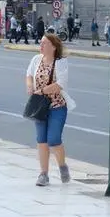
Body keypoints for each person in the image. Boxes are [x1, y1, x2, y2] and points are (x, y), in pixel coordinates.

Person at [25, 33, 75, 187]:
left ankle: (62, 166)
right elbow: (29, 75)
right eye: (40, 43)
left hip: (57, 106)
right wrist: (29, 86)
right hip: (40, 106)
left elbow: (61, 84)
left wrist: (42, 91)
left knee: (53, 139)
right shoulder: (36, 59)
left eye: (44, 43)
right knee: (42, 140)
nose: (41, 46)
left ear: (53, 47)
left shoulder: (61, 62)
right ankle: (43, 174)